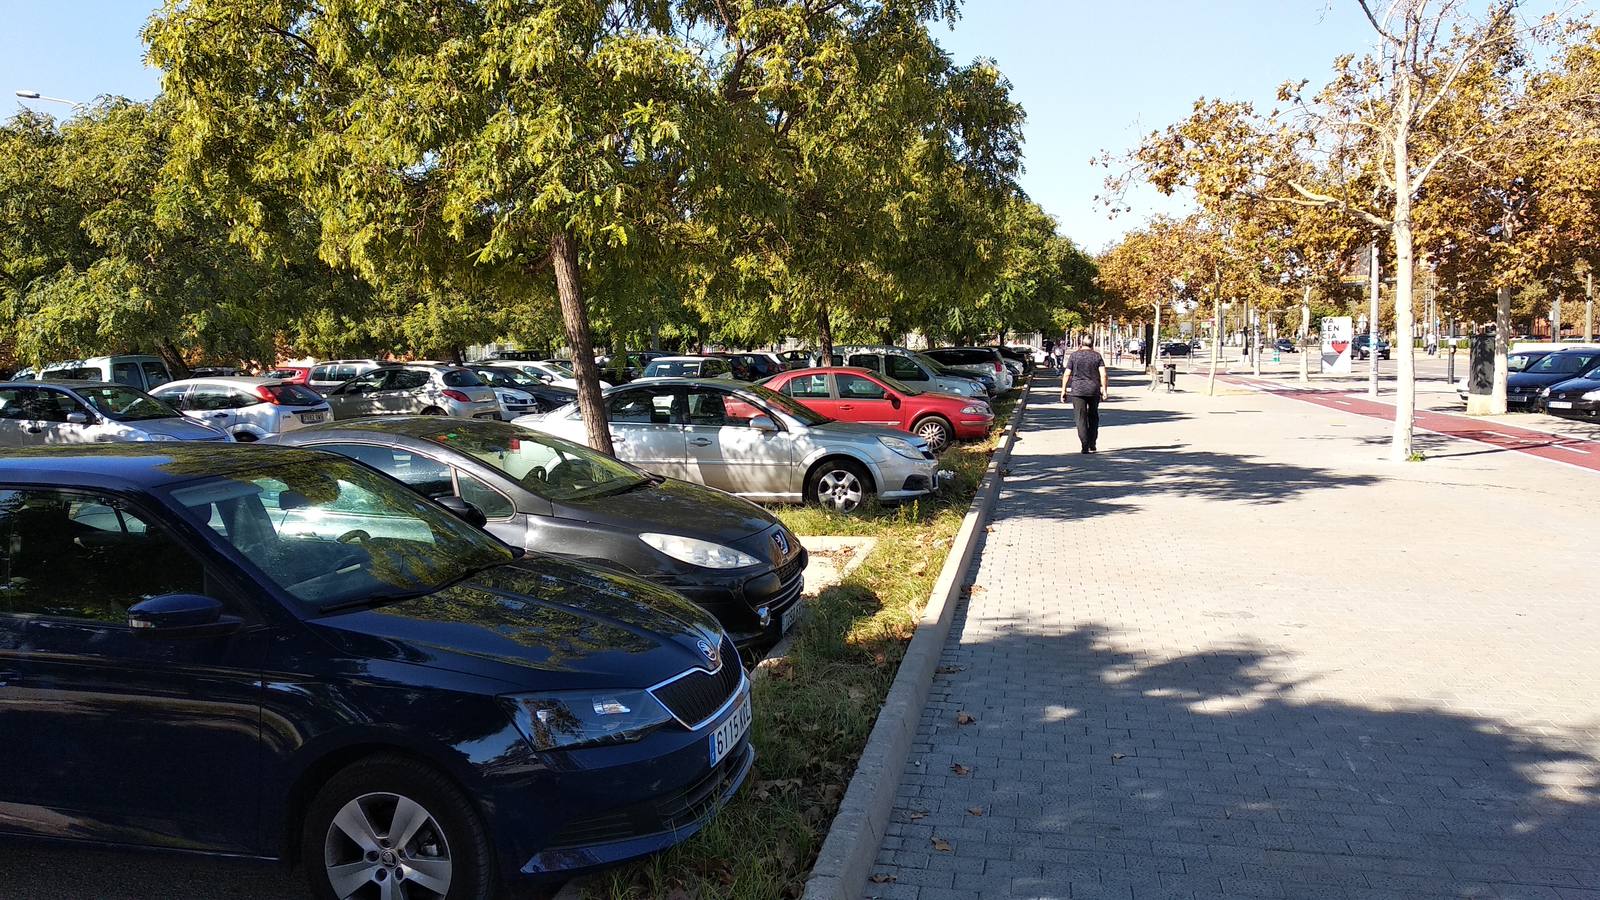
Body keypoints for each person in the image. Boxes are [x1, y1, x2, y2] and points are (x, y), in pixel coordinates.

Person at [1061, 333, 1109, 453]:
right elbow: (1103, 374)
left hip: (1077, 391)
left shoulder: (1074, 356)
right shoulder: (1097, 356)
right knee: (1093, 417)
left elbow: (1067, 374)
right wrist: (1104, 390)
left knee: (1080, 418)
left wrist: (1063, 390)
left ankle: (1084, 444)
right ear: (1093, 344)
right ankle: (1092, 443)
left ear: (1081, 343)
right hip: (1093, 390)